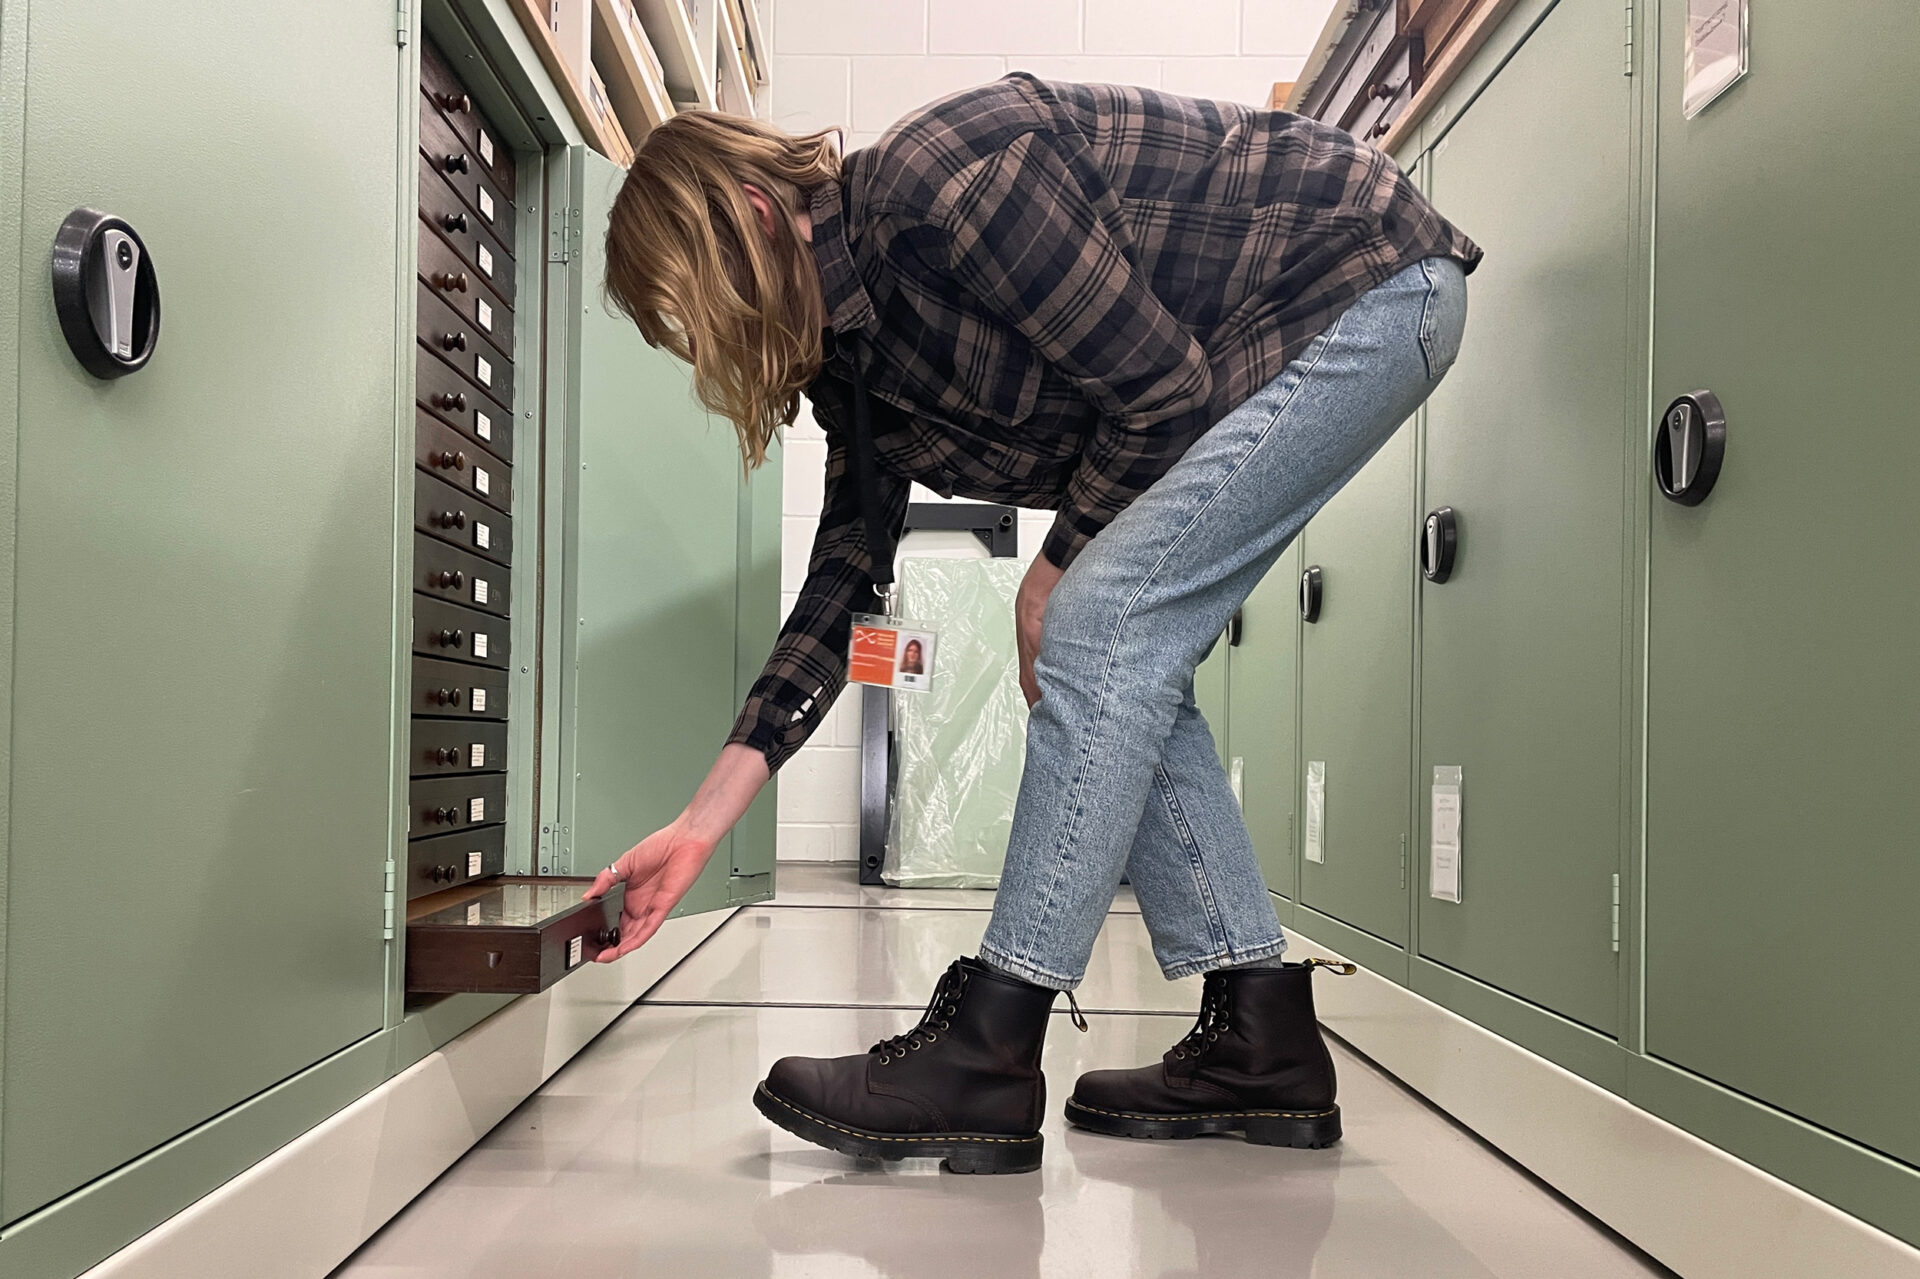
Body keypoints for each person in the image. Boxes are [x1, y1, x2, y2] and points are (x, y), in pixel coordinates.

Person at [588, 74, 1478, 1174]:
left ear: (756, 219)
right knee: (1122, 647)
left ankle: (989, 1049)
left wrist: (1048, 574)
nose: (714, 349)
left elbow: (1159, 391)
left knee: (1096, 626)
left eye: (705, 310)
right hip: (1266, 343)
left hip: (1358, 284)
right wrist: (699, 822)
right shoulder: (856, 369)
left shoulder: (944, 179)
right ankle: (1263, 1037)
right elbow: (841, 586)